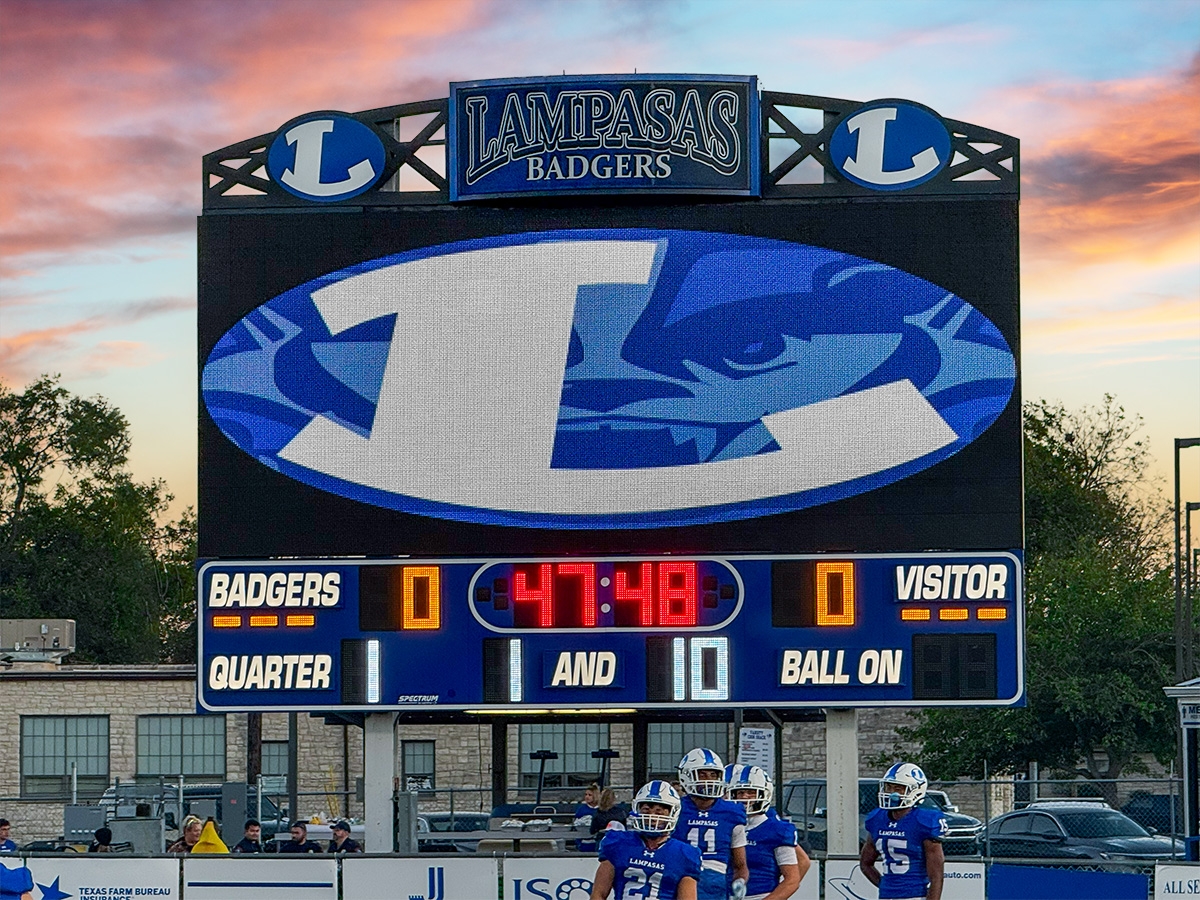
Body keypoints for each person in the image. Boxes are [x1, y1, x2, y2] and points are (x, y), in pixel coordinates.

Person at [590, 781, 701, 900]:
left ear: (672, 814)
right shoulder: (618, 843)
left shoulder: (683, 854)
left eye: (659, 812)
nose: (652, 816)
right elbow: (598, 894)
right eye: (646, 810)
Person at [860, 762, 946, 900]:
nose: (891, 793)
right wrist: (886, 886)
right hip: (886, 896)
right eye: (888, 787)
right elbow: (865, 863)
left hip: (916, 895)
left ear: (915, 790)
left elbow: (936, 875)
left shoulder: (923, 821)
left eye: (898, 788)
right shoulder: (877, 819)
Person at [724, 764, 809, 900]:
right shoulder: (726, 824)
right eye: (740, 792)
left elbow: (792, 879)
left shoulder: (776, 829)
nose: (745, 797)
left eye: (751, 792)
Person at [673, 748, 749, 900]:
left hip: (714, 883)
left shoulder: (732, 812)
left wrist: (740, 882)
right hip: (677, 875)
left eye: (713, 775)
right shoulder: (675, 808)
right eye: (702, 774)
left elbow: (740, 865)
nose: (709, 780)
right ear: (686, 776)